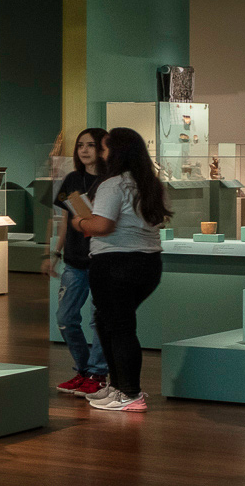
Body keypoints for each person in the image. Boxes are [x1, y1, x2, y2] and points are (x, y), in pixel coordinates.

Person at [68, 126, 170, 413]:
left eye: (103, 148)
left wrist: (79, 222)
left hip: (115, 263)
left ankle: (130, 392)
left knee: (119, 326)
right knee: (109, 322)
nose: (100, 153)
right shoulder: (151, 183)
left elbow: (102, 226)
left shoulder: (113, 184)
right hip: (148, 263)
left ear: (116, 152)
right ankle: (118, 386)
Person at [44, 129, 109, 397]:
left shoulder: (111, 181)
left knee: (99, 320)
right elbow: (62, 221)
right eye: (81, 145)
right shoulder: (72, 178)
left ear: (103, 149)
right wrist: (54, 253)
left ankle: (98, 373)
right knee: (66, 317)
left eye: (91, 145)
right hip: (74, 261)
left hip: (103, 261)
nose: (84, 150)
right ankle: (84, 371)